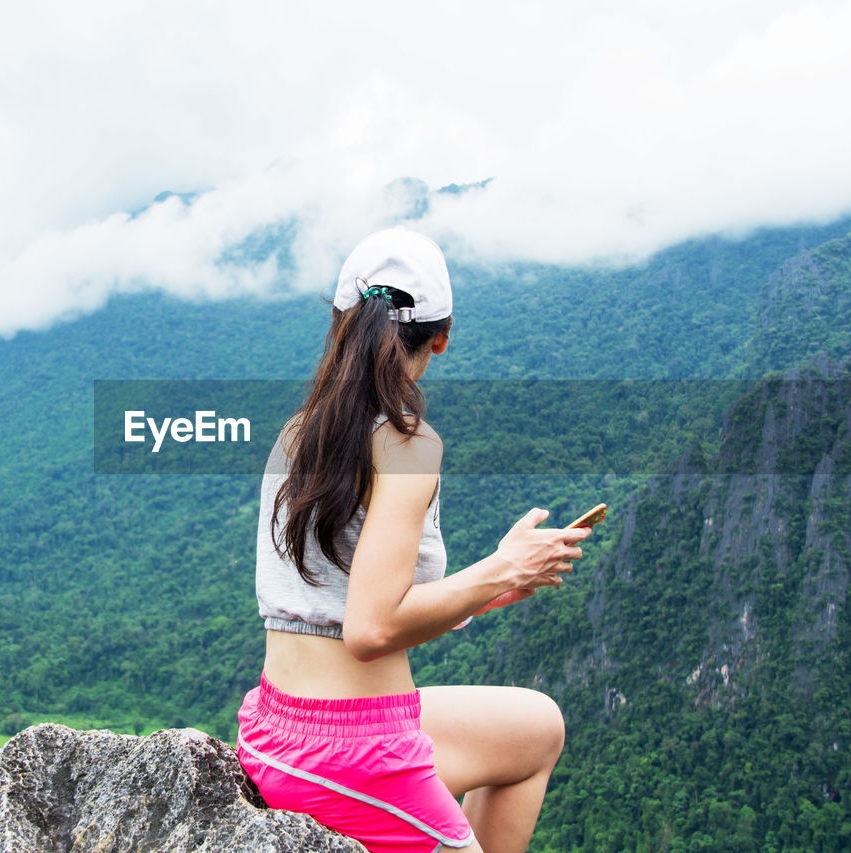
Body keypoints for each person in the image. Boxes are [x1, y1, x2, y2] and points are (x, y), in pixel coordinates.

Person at [236, 228, 592, 853]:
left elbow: (348, 592)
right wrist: (504, 569)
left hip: (277, 727)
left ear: (344, 324)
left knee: (537, 728)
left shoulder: (299, 431)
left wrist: (482, 589)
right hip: (352, 753)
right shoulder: (407, 444)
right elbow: (370, 631)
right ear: (442, 337)